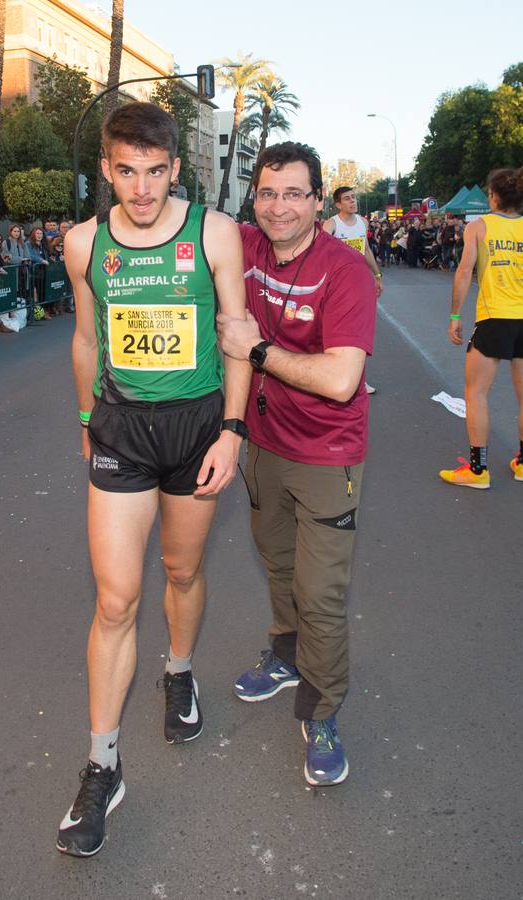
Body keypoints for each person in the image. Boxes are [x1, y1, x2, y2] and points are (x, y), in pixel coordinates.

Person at [56, 101, 250, 858]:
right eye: (126, 173)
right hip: (121, 429)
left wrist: (233, 431)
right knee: (115, 598)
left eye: (156, 173)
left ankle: (178, 671)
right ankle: (102, 764)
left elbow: (237, 338)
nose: (141, 191)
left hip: (198, 426)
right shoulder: (83, 243)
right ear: (106, 168)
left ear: (177, 169)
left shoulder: (214, 233)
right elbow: (83, 335)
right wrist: (83, 417)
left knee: (181, 567)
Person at [217, 141, 376, 788]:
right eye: (267, 192)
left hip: (327, 452)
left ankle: (323, 708)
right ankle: (285, 656)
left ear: (318, 202)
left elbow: (341, 380)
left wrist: (257, 352)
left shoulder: (346, 270)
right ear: (253, 198)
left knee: (320, 592)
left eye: (294, 194)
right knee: (279, 567)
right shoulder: (246, 249)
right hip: (264, 445)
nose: (279, 207)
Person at [439, 168, 523, 488]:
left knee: (475, 393)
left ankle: (478, 471)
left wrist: (455, 316)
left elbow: (463, 273)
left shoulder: (480, 226)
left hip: (495, 317)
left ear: (494, 195)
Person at [323, 186, 381, 394]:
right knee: (336, 333)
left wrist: (377, 275)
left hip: (359, 284)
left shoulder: (363, 223)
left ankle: (358, 380)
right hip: (337, 286)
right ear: (338, 204)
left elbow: (365, 250)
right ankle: (331, 376)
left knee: (358, 334)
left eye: (353, 197)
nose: (352, 201)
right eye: (347, 199)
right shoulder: (331, 225)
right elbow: (319, 252)